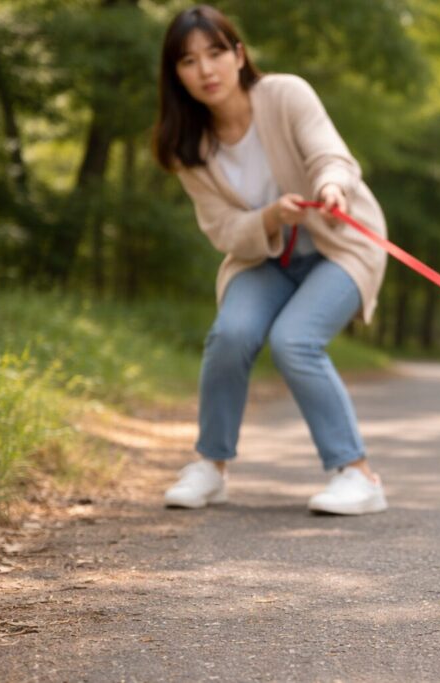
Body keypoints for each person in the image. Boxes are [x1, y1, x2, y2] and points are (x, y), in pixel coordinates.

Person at [152, 5, 388, 514]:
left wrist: (330, 185)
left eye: (216, 52)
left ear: (239, 54)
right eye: (189, 61)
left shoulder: (285, 94)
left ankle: (358, 476)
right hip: (264, 256)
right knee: (231, 333)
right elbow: (223, 230)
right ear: (176, 74)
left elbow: (330, 153)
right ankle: (210, 467)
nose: (206, 70)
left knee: (294, 340)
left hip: (340, 244)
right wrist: (269, 218)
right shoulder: (184, 147)